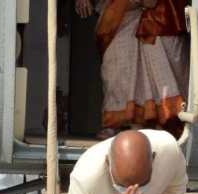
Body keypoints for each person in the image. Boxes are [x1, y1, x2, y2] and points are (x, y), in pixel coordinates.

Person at [75, 0, 190, 140]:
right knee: (118, 62)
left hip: (163, 12)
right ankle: (119, 122)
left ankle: (164, 122)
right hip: (120, 13)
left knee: (164, 60)